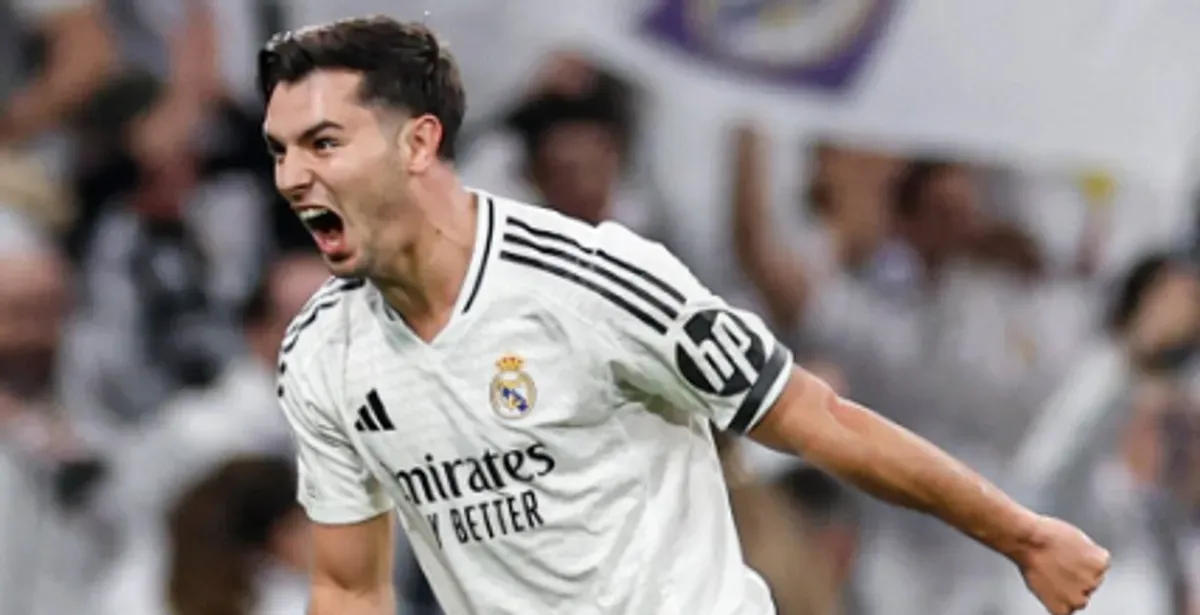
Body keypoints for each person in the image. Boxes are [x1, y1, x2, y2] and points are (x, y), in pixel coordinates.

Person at [260, 16, 1109, 615]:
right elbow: (348, 585)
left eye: (324, 144)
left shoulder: (593, 282)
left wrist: (1024, 536)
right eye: (279, 151)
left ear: (417, 145)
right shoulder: (323, 353)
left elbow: (819, 418)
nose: (294, 178)